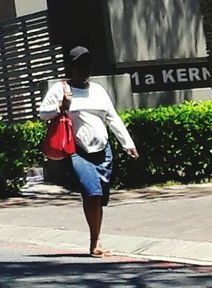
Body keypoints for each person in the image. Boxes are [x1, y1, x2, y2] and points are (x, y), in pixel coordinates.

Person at [38, 45, 138, 256]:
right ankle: (96, 242)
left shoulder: (98, 90)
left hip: (103, 151)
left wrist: (127, 143)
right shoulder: (61, 89)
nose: (85, 69)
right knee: (91, 192)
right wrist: (61, 107)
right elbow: (42, 114)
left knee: (100, 195)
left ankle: (96, 236)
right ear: (70, 67)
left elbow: (113, 118)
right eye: (80, 65)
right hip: (78, 151)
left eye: (87, 64)